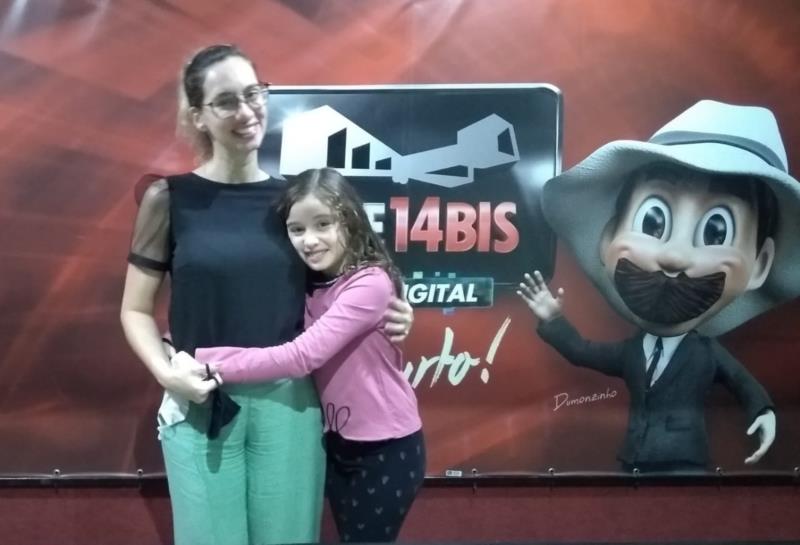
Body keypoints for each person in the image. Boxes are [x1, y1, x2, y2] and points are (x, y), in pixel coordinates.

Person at [120, 45, 413, 545]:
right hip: (201, 401)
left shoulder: (294, 205)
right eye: (226, 101)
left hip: (290, 405)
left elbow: (352, 284)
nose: (246, 111)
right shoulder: (168, 199)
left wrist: (400, 312)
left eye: (253, 93)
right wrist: (168, 373)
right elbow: (134, 309)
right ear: (199, 115)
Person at [517, 100, 800, 472]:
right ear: (608, 238)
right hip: (633, 464)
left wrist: (763, 412)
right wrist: (553, 319)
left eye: (716, 231)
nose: (675, 256)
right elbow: (582, 352)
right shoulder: (633, 351)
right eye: (653, 221)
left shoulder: (707, 354)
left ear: (759, 265)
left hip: (686, 465)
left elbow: (742, 383)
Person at [174, 167, 425, 543]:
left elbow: (301, 356)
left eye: (323, 224)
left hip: (386, 448)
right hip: (338, 445)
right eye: (297, 229)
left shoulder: (370, 282)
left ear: (350, 219)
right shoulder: (309, 283)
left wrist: (209, 361)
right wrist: (175, 339)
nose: (310, 240)